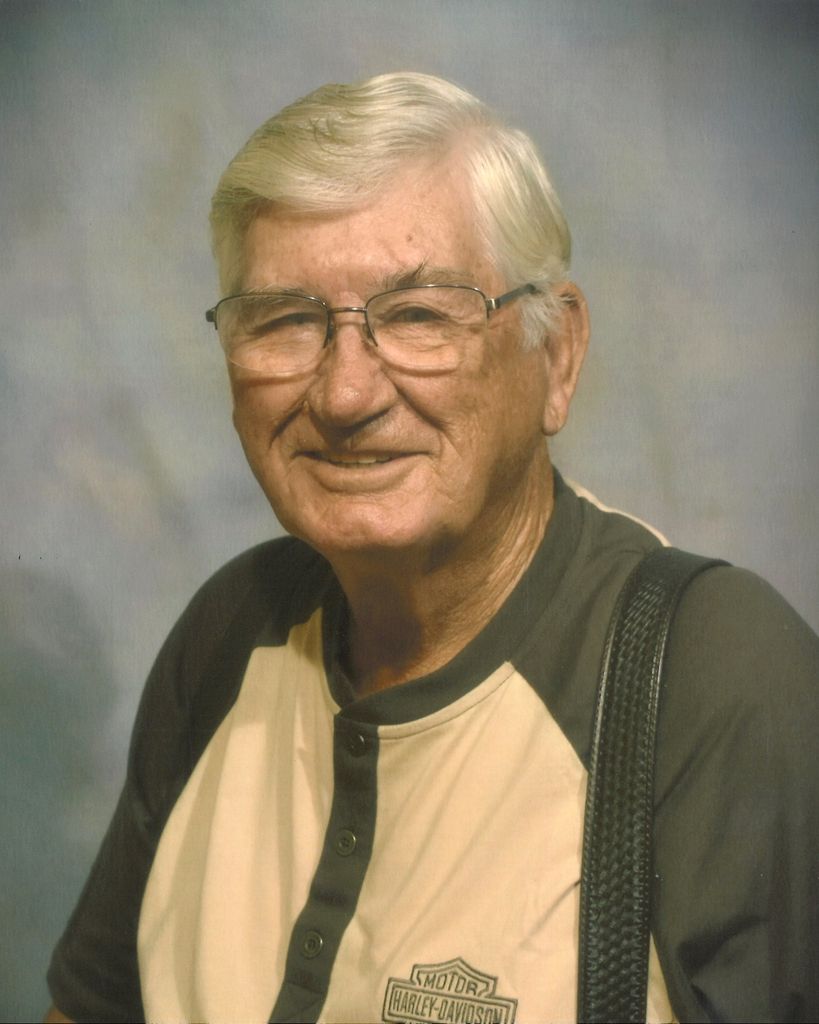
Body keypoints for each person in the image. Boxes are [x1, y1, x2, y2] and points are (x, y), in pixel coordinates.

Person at [46, 72, 817, 1024]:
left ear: (556, 355)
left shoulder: (713, 676)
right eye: (285, 320)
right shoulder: (228, 634)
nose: (345, 394)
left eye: (418, 315)